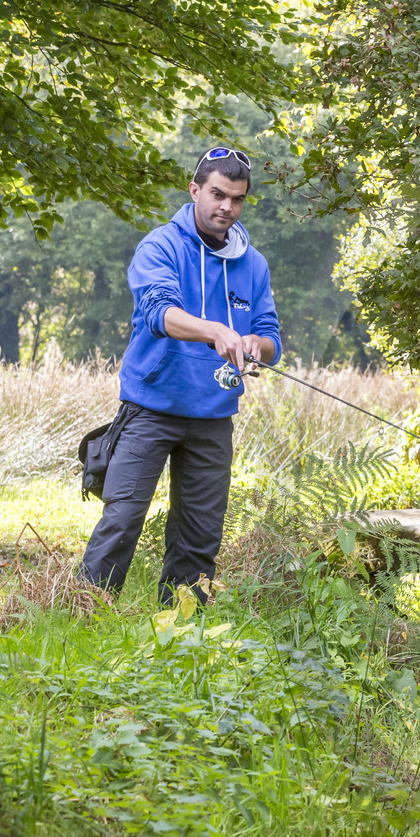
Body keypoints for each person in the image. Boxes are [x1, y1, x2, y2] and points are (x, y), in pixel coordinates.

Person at [78, 147, 282, 603]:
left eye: (237, 199)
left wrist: (254, 346)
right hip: (151, 406)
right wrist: (214, 332)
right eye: (217, 194)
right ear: (194, 190)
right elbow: (158, 313)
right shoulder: (161, 245)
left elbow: (271, 337)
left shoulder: (254, 264)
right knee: (123, 518)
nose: (226, 207)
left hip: (213, 416)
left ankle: (183, 630)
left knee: (200, 533)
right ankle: (83, 616)